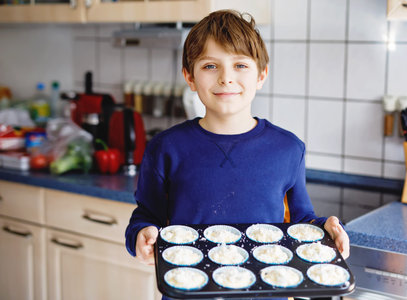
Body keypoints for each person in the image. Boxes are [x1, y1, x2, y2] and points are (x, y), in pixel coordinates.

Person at [125, 7, 349, 290]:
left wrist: (326, 231)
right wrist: (140, 235)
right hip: (190, 292)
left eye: (240, 65)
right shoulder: (165, 148)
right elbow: (146, 216)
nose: (225, 78)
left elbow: (301, 221)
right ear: (189, 77)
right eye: (210, 66)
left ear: (261, 75)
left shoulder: (288, 149)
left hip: (267, 293)